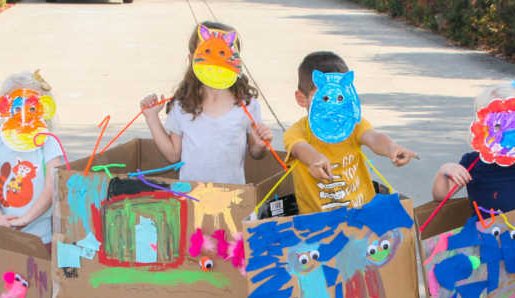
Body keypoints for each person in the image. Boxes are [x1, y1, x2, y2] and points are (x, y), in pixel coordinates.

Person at [283, 51, 417, 214]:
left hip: (362, 216)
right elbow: (299, 148)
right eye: (324, 98)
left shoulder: (353, 125)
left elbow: (374, 138)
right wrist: (315, 159)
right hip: (318, 225)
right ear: (302, 99)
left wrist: (392, 148)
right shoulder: (297, 131)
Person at [141, 21, 272, 184]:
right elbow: (173, 155)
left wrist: (260, 146)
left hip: (234, 199)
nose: (215, 62)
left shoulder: (247, 105)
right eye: (208, 52)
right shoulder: (182, 105)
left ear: (236, 60)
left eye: (222, 54)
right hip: (192, 199)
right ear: (192, 59)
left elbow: (255, 152)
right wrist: (151, 117)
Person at [431, 82, 515, 213]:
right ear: (482, 125)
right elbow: (441, 197)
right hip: (485, 230)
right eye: (498, 126)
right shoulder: (473, 162)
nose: (508, 132)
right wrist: (445, 171)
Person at [0, 70, 62, 246]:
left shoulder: (48, 144)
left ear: (44, 108)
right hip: (4, 234)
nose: (23, 115)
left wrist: (27, 218)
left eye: (31, 108)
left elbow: (53, 186)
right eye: (18, 107)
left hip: (42, 237)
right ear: (5, 107)